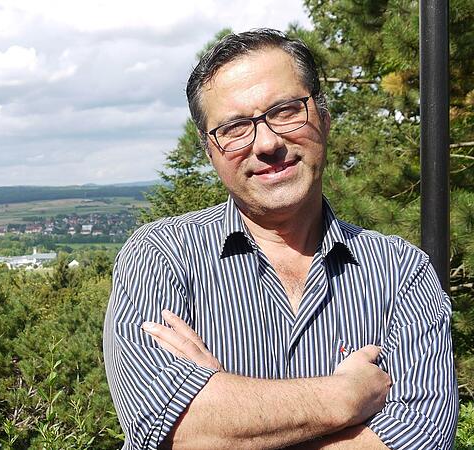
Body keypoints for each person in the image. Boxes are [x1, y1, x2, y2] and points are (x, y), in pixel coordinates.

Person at [103, 29, 458, 449]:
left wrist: (225, 411)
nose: (268, 143)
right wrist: (343, 396)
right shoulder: (161, 256)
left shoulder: (400, 271)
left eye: (286, 110)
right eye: (235, 127)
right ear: (210, 152)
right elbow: (165, 428)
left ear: (323, 119)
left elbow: (422, 440)